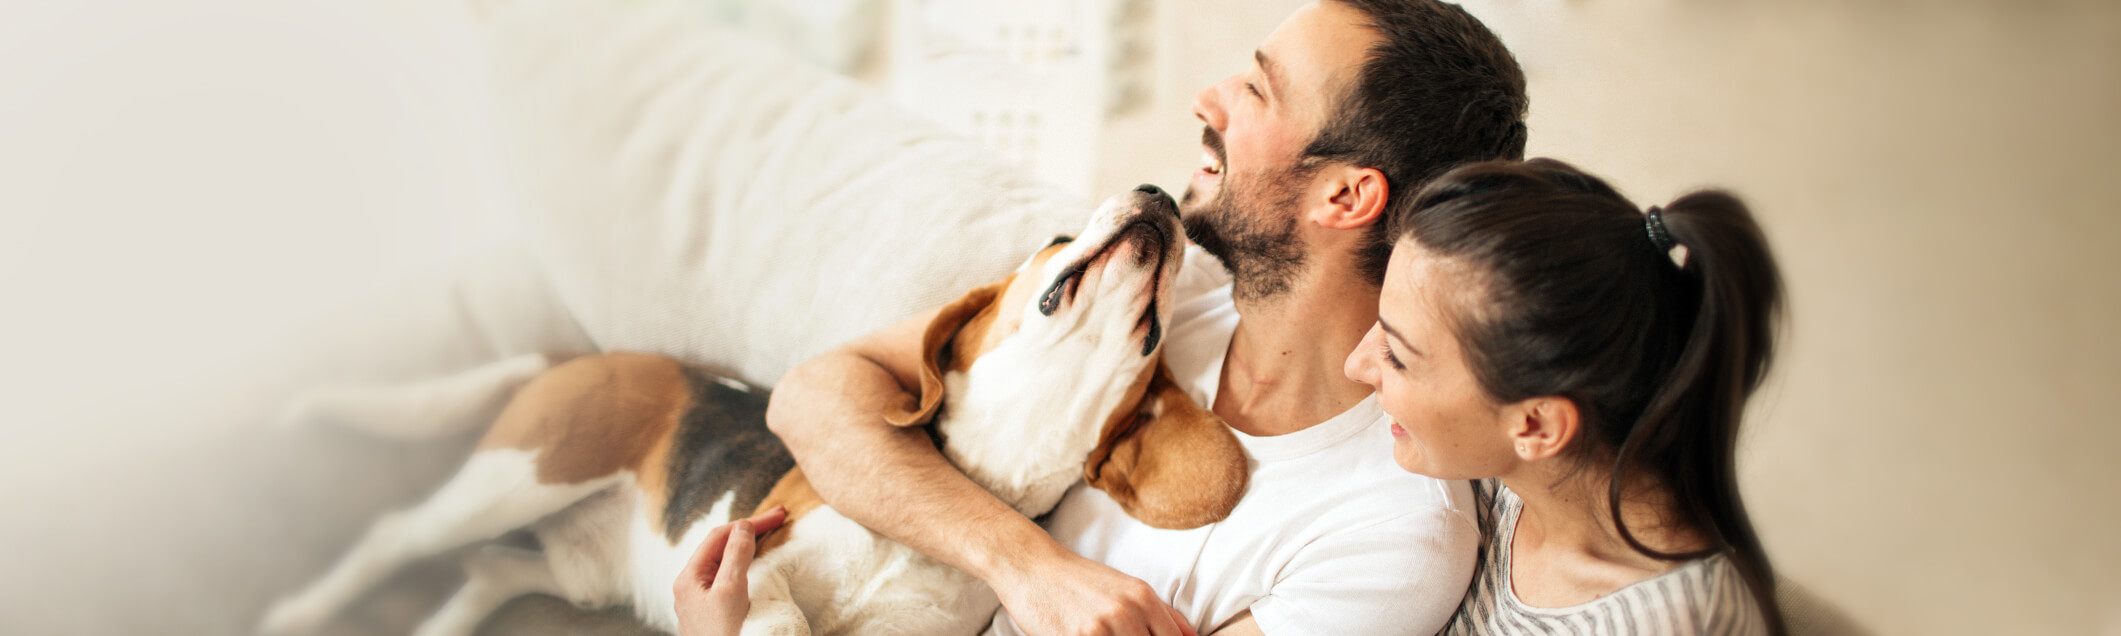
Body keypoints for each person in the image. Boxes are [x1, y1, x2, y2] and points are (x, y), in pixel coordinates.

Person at [745, 1, 1529, 635]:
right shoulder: (1155, 282)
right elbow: (813, 397)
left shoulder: (1391, 539)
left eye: (1257, 90)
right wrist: (1025, 565)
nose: (1207, 99)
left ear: (1345, 197)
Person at [1344, 158, 1787, 634]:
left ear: (1537, 426)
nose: (1356, 364)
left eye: (1398, 355)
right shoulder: (1494, 482)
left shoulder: (1669, 623)